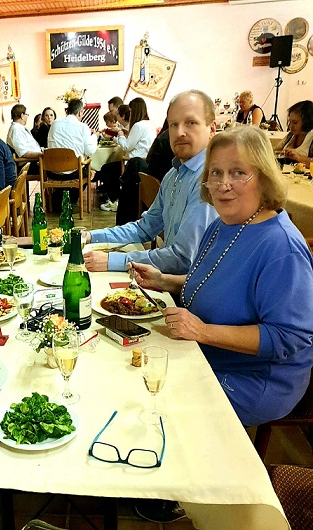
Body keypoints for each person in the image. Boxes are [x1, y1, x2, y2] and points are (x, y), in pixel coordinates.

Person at [129, 126, 313, 427]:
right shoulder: (222, 225)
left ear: (263, 177)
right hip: (206, 352)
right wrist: (165, 280)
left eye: (238, 172)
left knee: (154, 406)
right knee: (132, 375)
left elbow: (288, 337)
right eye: (215, 172)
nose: (223, 184)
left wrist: (203, 332)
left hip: (254, 378)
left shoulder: (282, 247)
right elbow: (216, 282)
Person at [84, 89, 219, 274]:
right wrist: (91, 236)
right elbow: (144, 228)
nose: (179, 132)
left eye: (191, 122)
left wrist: (112, 261)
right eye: (173, 124)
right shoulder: (174, 174)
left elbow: (182, 259)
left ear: (212, 129)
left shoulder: (210, 180)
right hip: (167, 279)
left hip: (189, 289)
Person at [100, 97, 156, 213]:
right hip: (145, 161)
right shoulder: (149, 123)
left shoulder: (138, 125)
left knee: (106, 169)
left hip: (134, 163)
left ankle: (115, 200)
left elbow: (126, 146)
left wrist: (120, 133)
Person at [274, 100, 313, 165]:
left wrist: (298, 158)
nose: (290, 126)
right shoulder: (291, 135)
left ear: (306, 122)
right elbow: (276, 151)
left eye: (295, 122)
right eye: (290, 122)